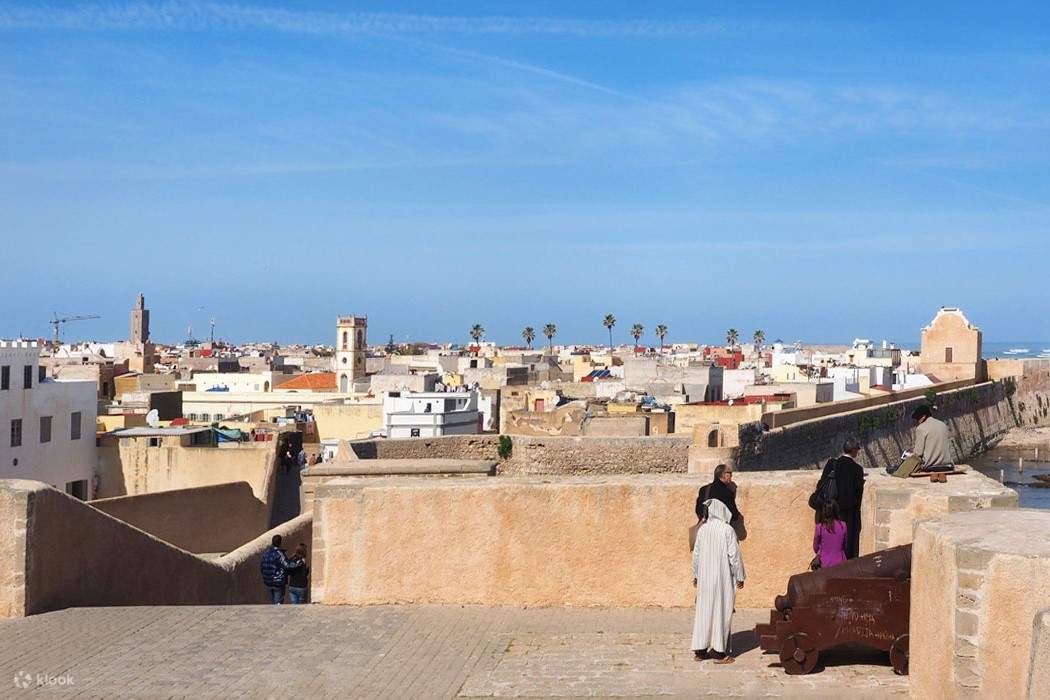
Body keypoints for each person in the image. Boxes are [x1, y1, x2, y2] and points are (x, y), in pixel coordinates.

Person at [691, 499, 746, 664]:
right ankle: (720, 652)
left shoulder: (703, 530)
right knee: (721, 611)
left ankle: (700, 651)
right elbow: (734, 557)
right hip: (722, 580)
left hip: (705, 580)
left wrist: (696, 575)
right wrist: (740, 577)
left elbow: (696, 555)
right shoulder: (727, 530)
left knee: (704, 611)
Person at [816, 438, 866, 559]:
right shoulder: (857, 469)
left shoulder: (831, 464)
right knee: (845, 546)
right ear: (853, 450)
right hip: (846, 514)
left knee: (827, 542)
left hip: (828, 509)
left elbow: (821, 484)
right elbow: (857, 493)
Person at [695, 464, 744, 538]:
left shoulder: (704, 489)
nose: (731, 476)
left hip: (705, 531)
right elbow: (734, 515)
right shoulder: (728, 492)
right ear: (724, 475)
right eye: (730, 473)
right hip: (721, 533)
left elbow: (698, 510)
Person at [260, 534, 302, 604]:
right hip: (278, 582)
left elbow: (262, 567)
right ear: (280, 542)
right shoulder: (279, 554)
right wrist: (298, 563)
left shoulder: (266, 554)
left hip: (268, 582)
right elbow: (287, 565)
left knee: (272, 603)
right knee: (278, 604)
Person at [911, 405, 952, 471]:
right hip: (947, 465)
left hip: (930, 466)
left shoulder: (920, 428)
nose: (917, 421)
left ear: (924, 416)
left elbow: (918, 453)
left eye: (917, 418)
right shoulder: (943, 425)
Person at [812, 500, 847, 569]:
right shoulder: (843, 525)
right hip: (840, 563)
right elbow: (845, 545)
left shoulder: (820, 527)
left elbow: (815, 547)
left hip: (824, 564)